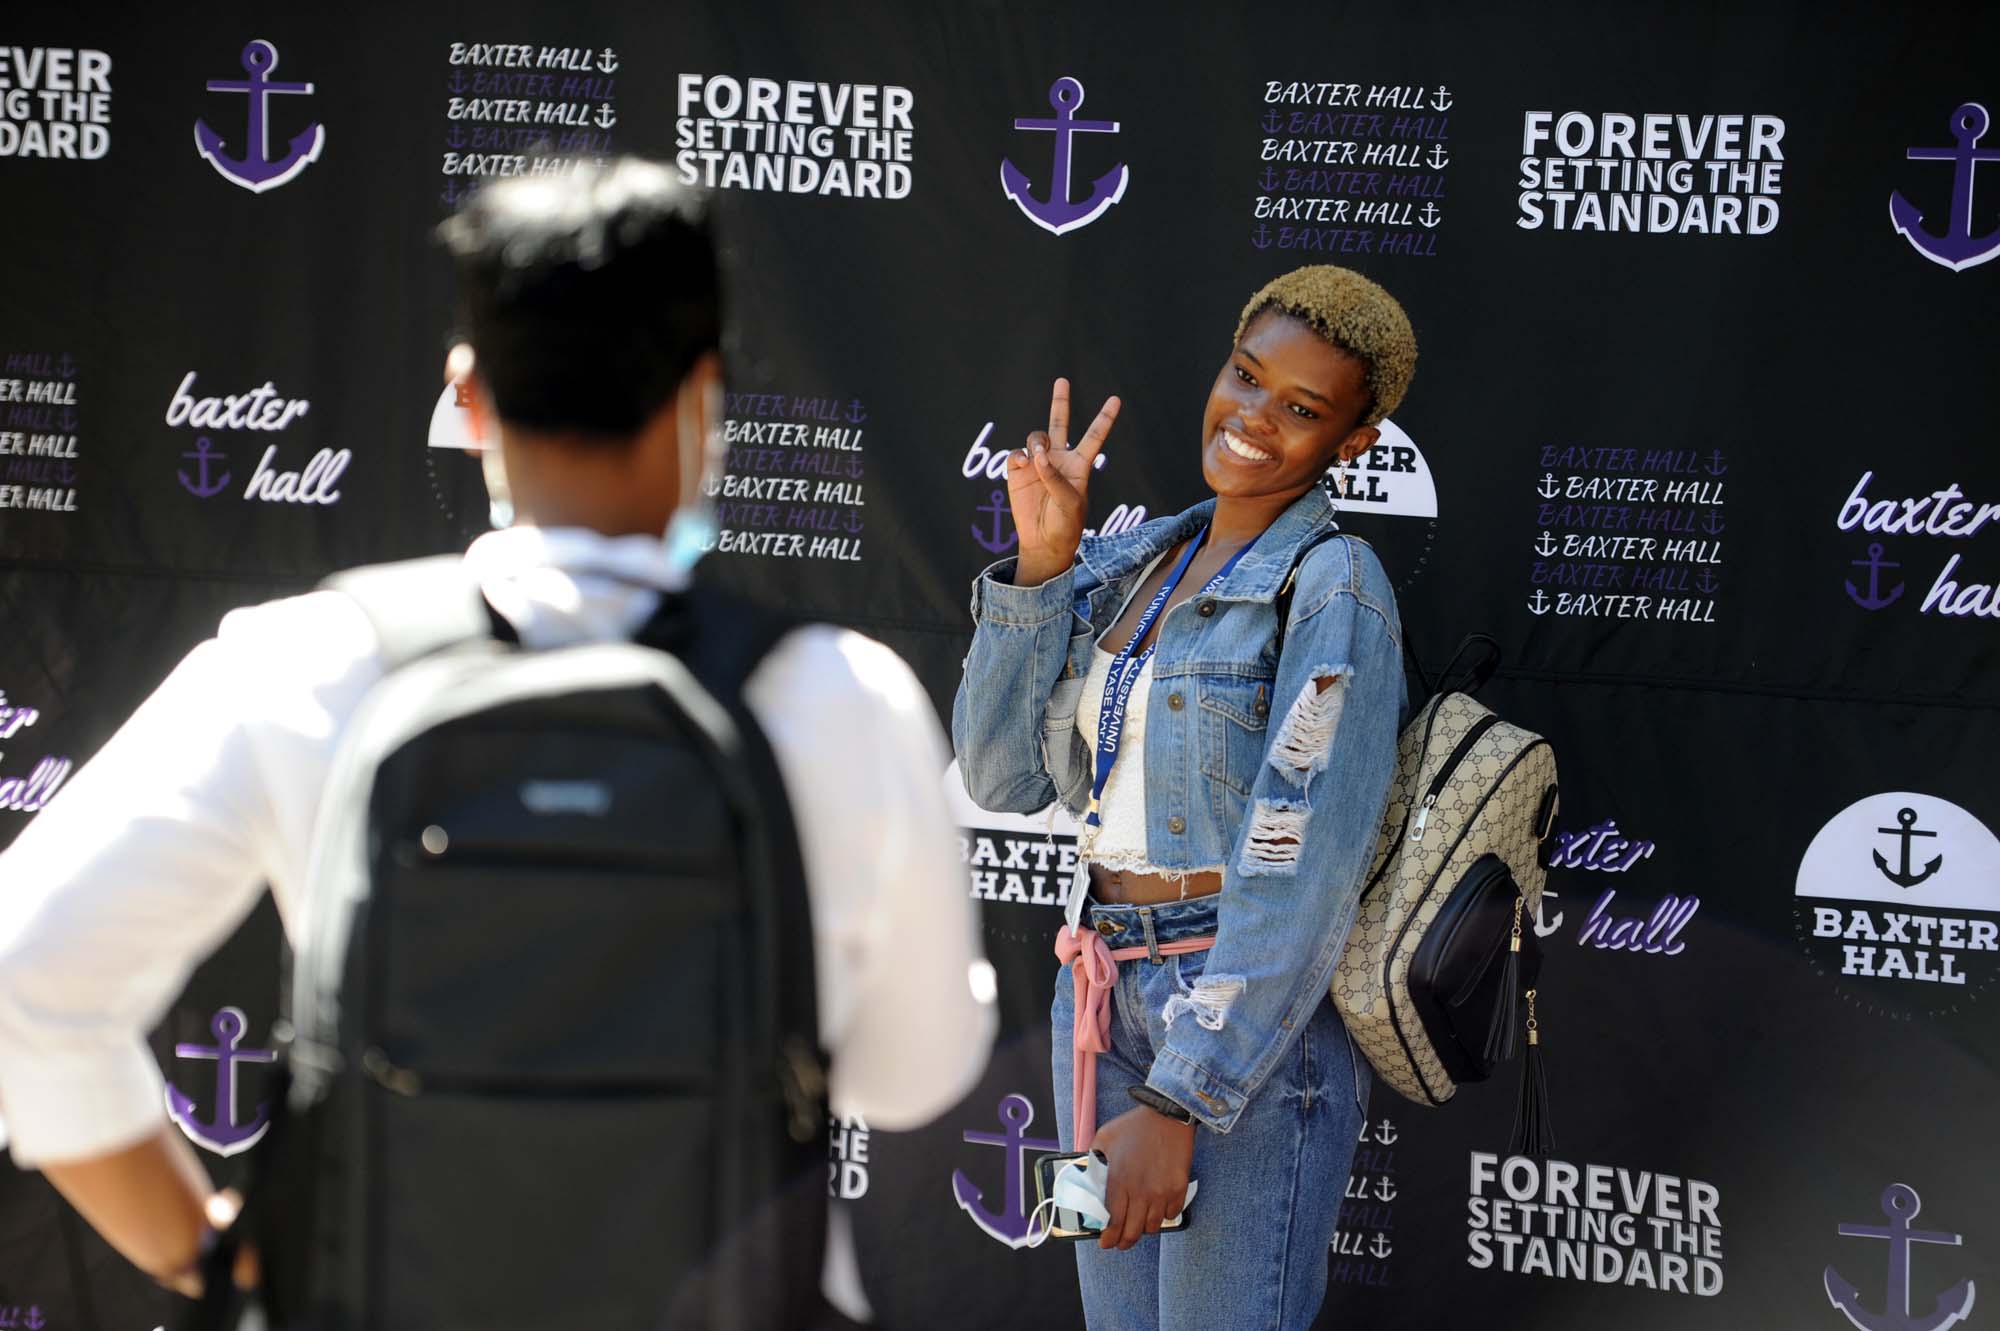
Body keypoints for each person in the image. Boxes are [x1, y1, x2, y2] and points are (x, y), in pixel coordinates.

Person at [0, 157, 994, 1322]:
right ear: (707, 393)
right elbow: (912, 1074)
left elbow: (26, 978)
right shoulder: (838, 697)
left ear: (464, 395)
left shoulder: (303, 664)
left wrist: (204, 1253)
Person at [952, 265, 1416, 1330]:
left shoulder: (1335, 583)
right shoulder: (1133, 563)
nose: (1253, 418)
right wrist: (1041, 565)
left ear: (1353, 441)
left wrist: (1181, 1093)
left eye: (1301, 408)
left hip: (1236, 1020)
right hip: (1098, 988)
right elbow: (1000, 776)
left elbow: (1301, 863)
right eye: (1245, 376)